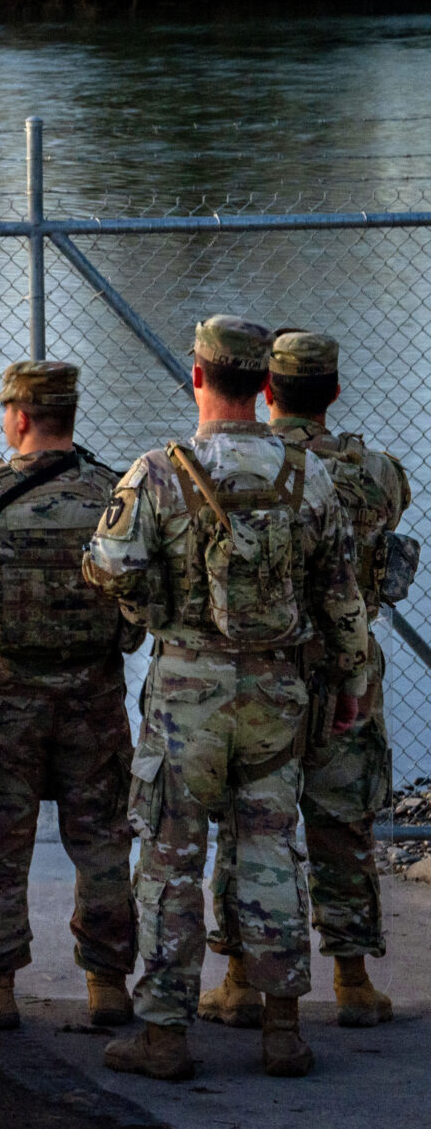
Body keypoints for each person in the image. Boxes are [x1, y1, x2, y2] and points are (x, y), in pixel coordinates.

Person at [81, 315, 370, 1081]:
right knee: (272, 850)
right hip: (279, 689)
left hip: (186, 693)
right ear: (267, 385)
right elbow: (340, 595)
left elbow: (110, 568)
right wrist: (351, 684)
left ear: (199, 376)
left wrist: (150, 611)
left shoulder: (159, 472)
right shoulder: (312, 478)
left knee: (171, 860)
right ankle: (281, 1028)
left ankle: (165, 1034)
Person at [0, 361, 138, 1030]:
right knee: (101, 841)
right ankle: (108, 986)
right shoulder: (116, 493)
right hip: (94, 696)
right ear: (69, 416)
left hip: (5, 699)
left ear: (17, 416)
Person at [200, 329, 410, 1030]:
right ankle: (352, 981)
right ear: (337, 391)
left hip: (264, 669)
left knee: (252, 823)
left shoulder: (253, 466)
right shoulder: (376, 473)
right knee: (343, 821)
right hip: (348, 671)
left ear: (266, 390)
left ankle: (238, 978)